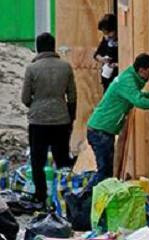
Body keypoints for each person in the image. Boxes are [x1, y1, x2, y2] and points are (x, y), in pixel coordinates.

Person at [87, 53, 149, 185]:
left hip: (101, 130)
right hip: (100, 131)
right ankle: (81, 201)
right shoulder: (127, 80)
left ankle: (84, 200)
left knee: (105, 172)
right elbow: (140, 102)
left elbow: (138, 96)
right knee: (104, 173)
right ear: (141, 70)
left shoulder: (129, 78)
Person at [20, 32, 77, 209]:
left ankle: (40, 196)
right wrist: (70, 116)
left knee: (38, 161)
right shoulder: (65, 67)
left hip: (39, 121)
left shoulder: (32, 68)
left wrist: (36, 105)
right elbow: (72, 95)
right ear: (53, 46)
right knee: (62, 160)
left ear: (38, 47)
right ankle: (62, 196)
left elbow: (25, 97)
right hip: (61, 120)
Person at [93, 13, 119, 92]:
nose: (107, 36)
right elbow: (96, 54)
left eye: (108, 33)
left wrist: (116, 65)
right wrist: (103, 59)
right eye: (105, 33)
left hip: (117, 77)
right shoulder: (106, 40)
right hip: (107, 75)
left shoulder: (121, 40)